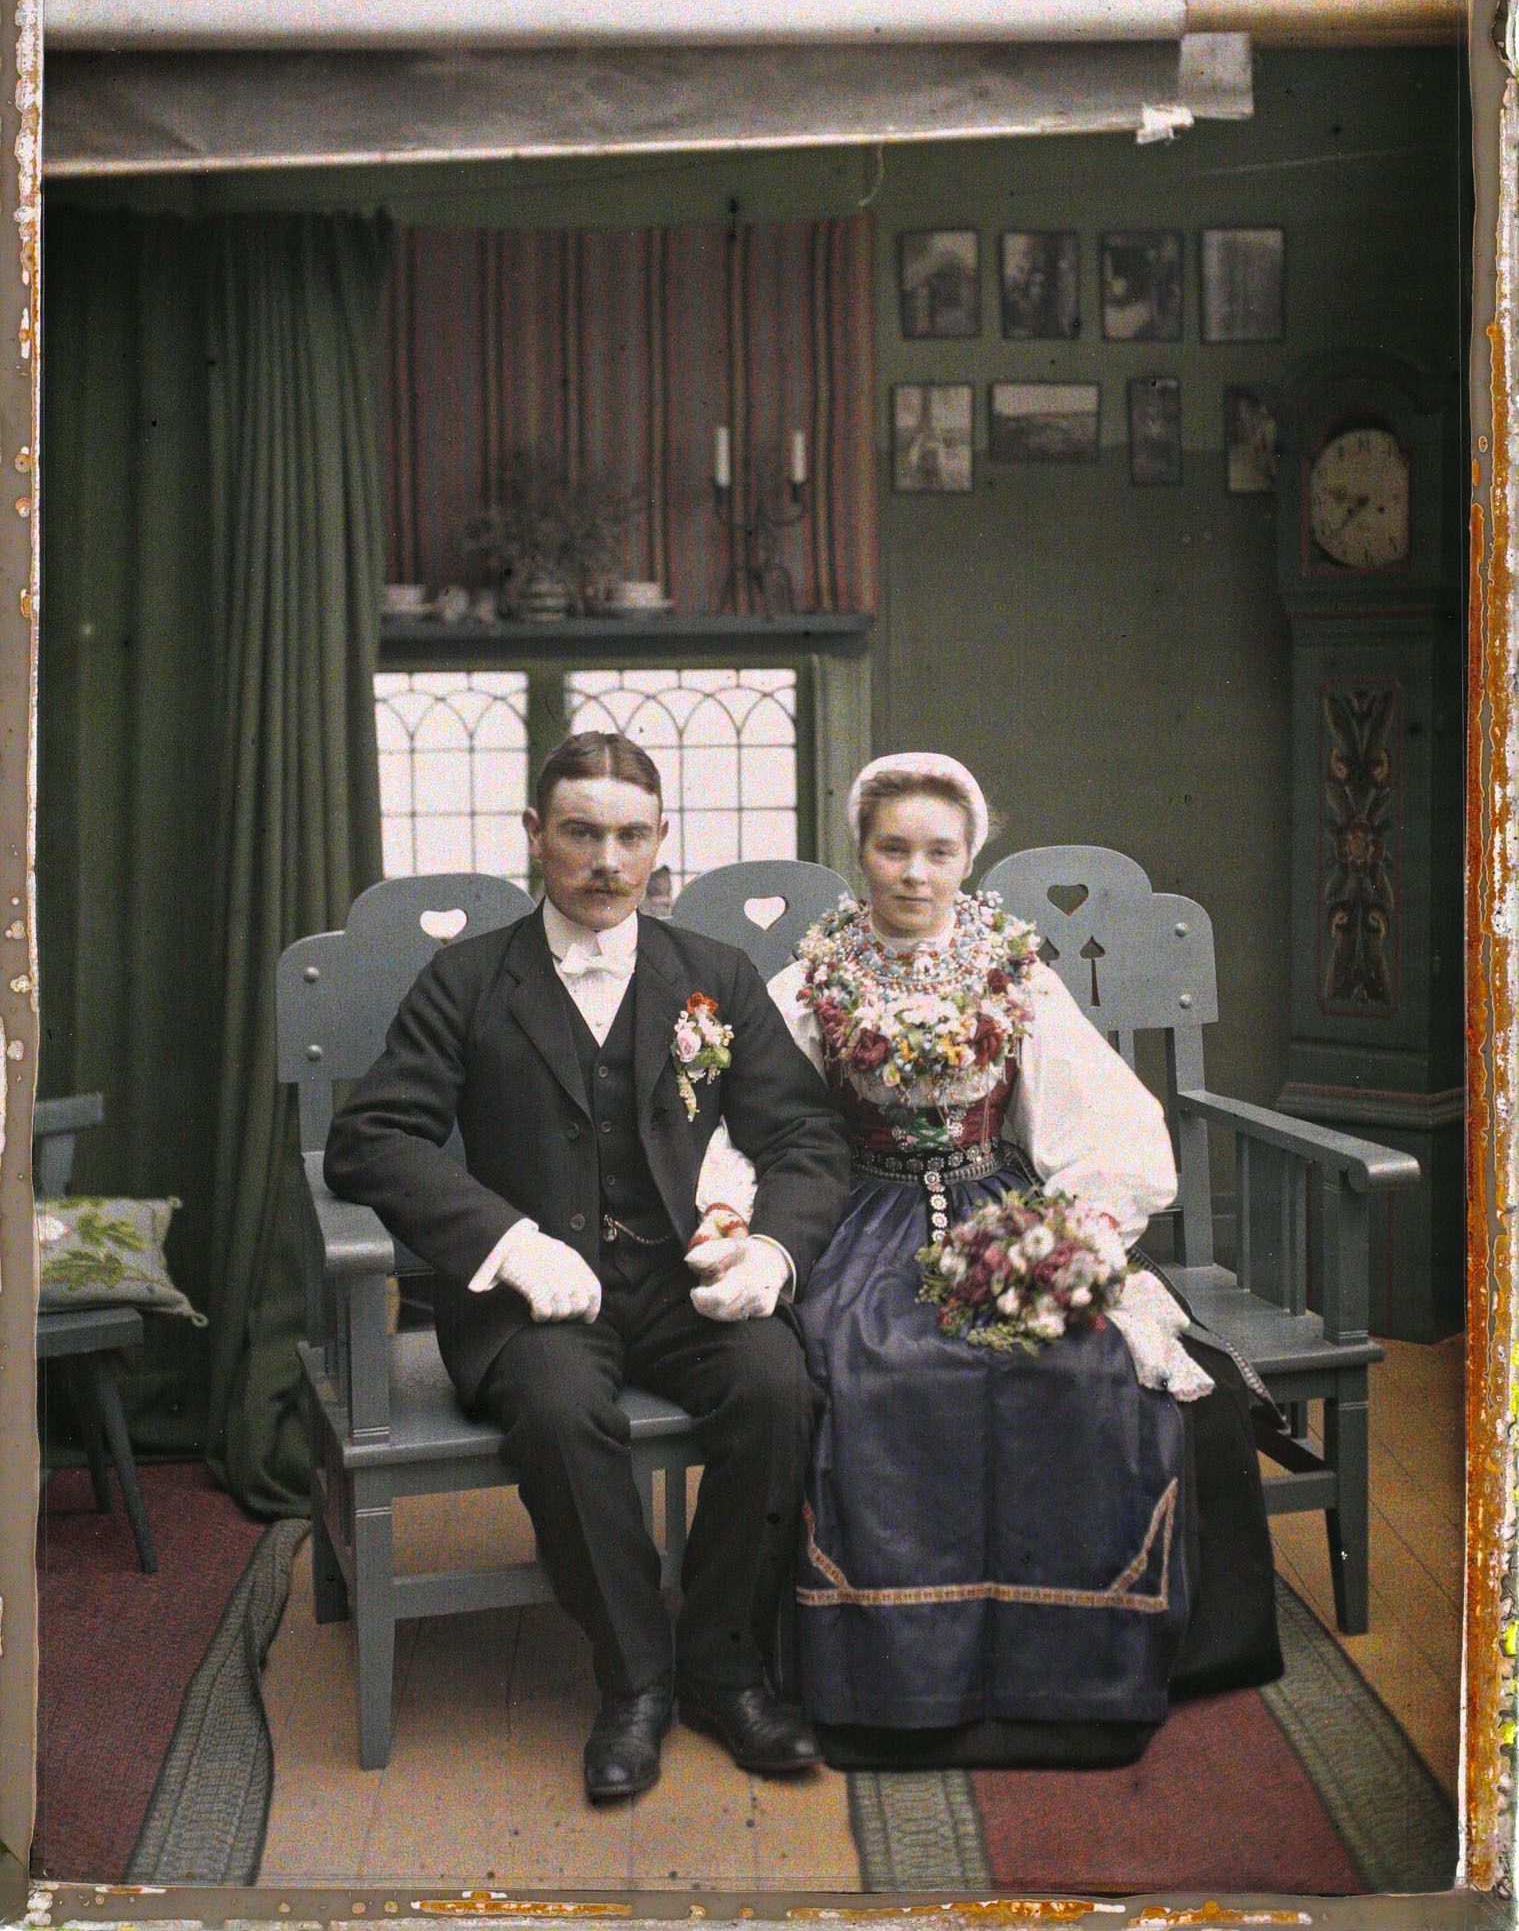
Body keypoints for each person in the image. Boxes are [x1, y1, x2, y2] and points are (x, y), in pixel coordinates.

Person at [702, 752, 1282, 1767]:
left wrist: (1075, 1230)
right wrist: (733, 1216)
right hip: (851, 1217)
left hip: (994, 1204)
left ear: (971, 855)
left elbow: (1098, 1115)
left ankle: (1063, 1678)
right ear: (861, 851)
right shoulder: (812, 975)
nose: (915, 872)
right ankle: (893, 1678)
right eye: (894, 847)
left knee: (1083, 1360)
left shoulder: (1011, 968)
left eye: (940, 850)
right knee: (879, 1370)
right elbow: (752, 1118)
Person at [323, 733, 852, 1802]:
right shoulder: (470, 977)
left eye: (630, 835)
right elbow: (370, 1137)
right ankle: (635, 1684)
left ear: (661, 845)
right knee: (562, 1413)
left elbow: (805, 1137)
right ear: (534, 837)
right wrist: (504, 1241)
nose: (607, 858)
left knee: (776, 1385)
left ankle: (722, 1665)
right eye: (580, 832)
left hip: (680, 1274)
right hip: (538, 1297)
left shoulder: (715, 975)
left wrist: (775, 1251)